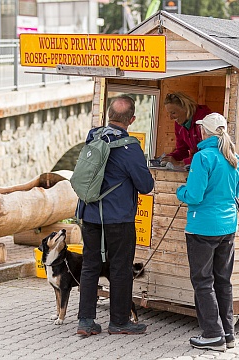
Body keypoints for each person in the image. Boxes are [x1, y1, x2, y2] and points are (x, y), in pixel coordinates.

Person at [76, 95, 155, 336]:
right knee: (120, 268)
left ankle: (85, 322)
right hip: (118, 219)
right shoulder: (129, 147)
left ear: (108, 115)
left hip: (89, 214)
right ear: (131, 119)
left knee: (90, 266)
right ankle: (119, 322)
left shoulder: (94, 137)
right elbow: (145, 185)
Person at [176, 112, 239, 352]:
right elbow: (235, 192)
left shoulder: (202, 157)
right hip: (228, 227)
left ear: (204, 132)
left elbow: (194, 195)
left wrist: (180, 191)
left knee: (203, 281)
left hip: (202, 226)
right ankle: (228, 333)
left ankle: (213, 335)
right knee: (223, 280)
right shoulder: (235, 158)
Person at [162, 92, 213, 167]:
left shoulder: (204, 121)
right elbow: (182, 150)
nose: (171, 117)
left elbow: (209, 154)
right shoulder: (179, 124)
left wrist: (182, 163)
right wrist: (169, 158)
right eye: (169, 113)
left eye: (173, 113)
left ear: (185, 108)